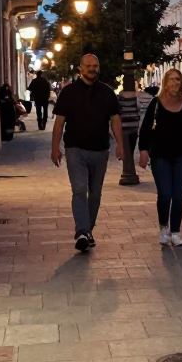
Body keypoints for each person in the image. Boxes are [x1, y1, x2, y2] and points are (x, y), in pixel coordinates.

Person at [50, 54, 124, 253]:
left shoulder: (107, 92)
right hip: (75, 149)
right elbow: (59, 122)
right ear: (80, 69)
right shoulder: (69, 92)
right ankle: (82, 231)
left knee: (96, 193)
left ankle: (87, 232)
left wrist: (120, 144)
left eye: (95, 66)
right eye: (88, 66)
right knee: (80, 190)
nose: (92, 69)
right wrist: (54, 147)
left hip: (100, 150)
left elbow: (115, 120)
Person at [137, 67, 182, 246]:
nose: (176, 83)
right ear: (165, 84)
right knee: (165, 194)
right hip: (160, 156)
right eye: (173, 79)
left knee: (178, 195)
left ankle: (175, 232)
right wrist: (143, 150)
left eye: (178, 79)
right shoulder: (156, 103)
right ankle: (163, 228)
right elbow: (145, 130)